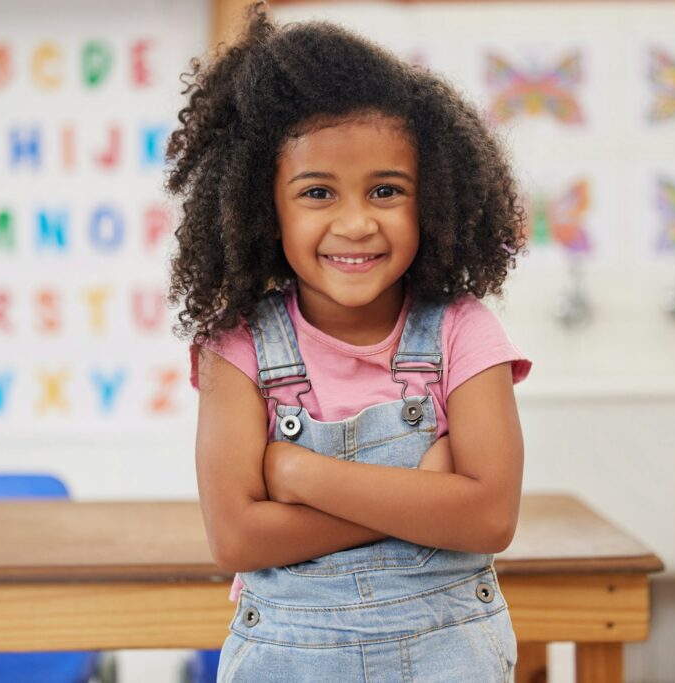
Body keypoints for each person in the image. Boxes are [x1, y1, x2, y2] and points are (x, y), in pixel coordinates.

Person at [166, 3, 532, 680]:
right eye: (317, 192)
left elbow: (487, 515)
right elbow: (238, 536)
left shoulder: (463, 332)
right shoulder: (236, 347)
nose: (356, 222)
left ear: (434, 199)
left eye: (386, 190)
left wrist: (301, 475)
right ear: (259, 205)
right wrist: (420, 499)